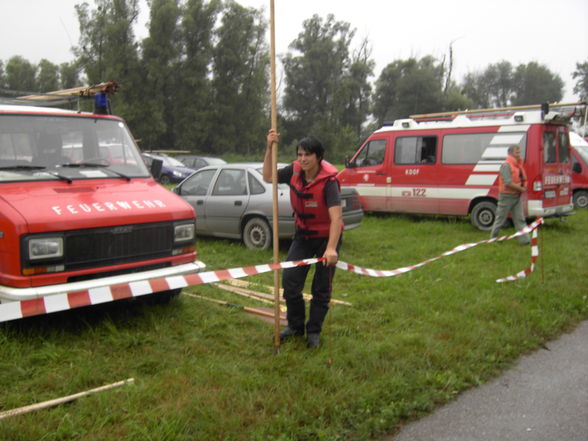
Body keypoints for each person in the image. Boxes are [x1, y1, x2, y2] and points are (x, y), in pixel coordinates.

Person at [263, 129, 343, 349]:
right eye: (300, 154)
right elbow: (268, 177)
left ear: (318, 157)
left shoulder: (329, 183)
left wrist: (331, 249)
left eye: (307, 155)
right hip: (303, 236)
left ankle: (314, 331)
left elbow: (336, 219)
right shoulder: (294, 171)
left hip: (327, 238)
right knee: (290, 281)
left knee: (321, 288)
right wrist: (269, 147)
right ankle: (296, 326)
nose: (302, 159)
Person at [490, 144, 530, 245]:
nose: (519, 154)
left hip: (516, 196)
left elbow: (523, 178)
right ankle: (493, 239)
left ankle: (525, 241)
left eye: (519, 152)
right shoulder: (506, 165)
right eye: (517, 152)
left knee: (520, 219)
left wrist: (524, 186)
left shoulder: (518, 165)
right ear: (511, 153)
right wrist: (521, 189)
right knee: (500, 219)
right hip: (506, 196)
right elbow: (507, 182)